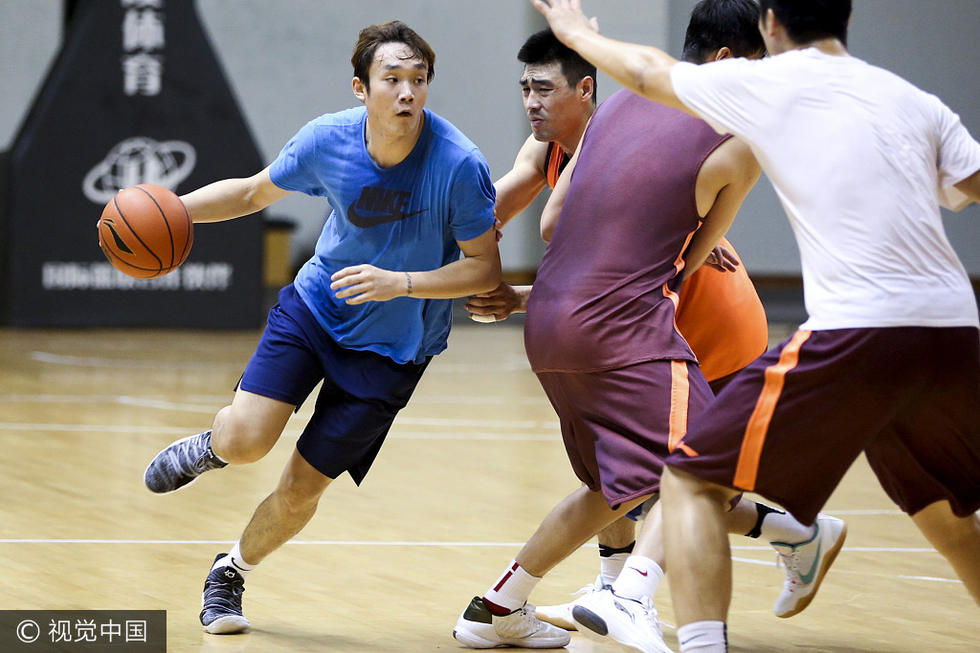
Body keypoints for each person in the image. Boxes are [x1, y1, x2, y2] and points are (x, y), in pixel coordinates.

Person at [532, 0, 980, 651]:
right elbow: (970, 183)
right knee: (952, 521)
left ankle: (666, 618)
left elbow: (651, 72)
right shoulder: (913, 99)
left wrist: (573, 35)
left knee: (685, 478)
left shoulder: (769, 81)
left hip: (860, 329)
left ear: (771, 24)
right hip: (952, 329)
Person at [452, 3, 843, 650]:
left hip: (582, 319)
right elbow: (683, 260)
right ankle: (633, 589)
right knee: (686, 475)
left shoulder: (617, 103)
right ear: (725, 62)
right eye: (760, 65)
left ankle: (502, 604)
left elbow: (555, 226)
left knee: (621, 484)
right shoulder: (739, 135)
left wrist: (523, 290)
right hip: (636, 320)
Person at [140, 21, 500, 634]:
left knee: (301, 490)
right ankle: (211, 447)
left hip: (394, 349)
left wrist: (402, 282)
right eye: (392, 79)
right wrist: (173, 210)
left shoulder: (459, 164)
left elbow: (484, 268)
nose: (407, 92)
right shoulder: (326, 140)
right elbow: (254, 192)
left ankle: (231, 570)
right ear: (361, 88)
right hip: (316, 310)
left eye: (418, 80)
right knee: (246, 440)